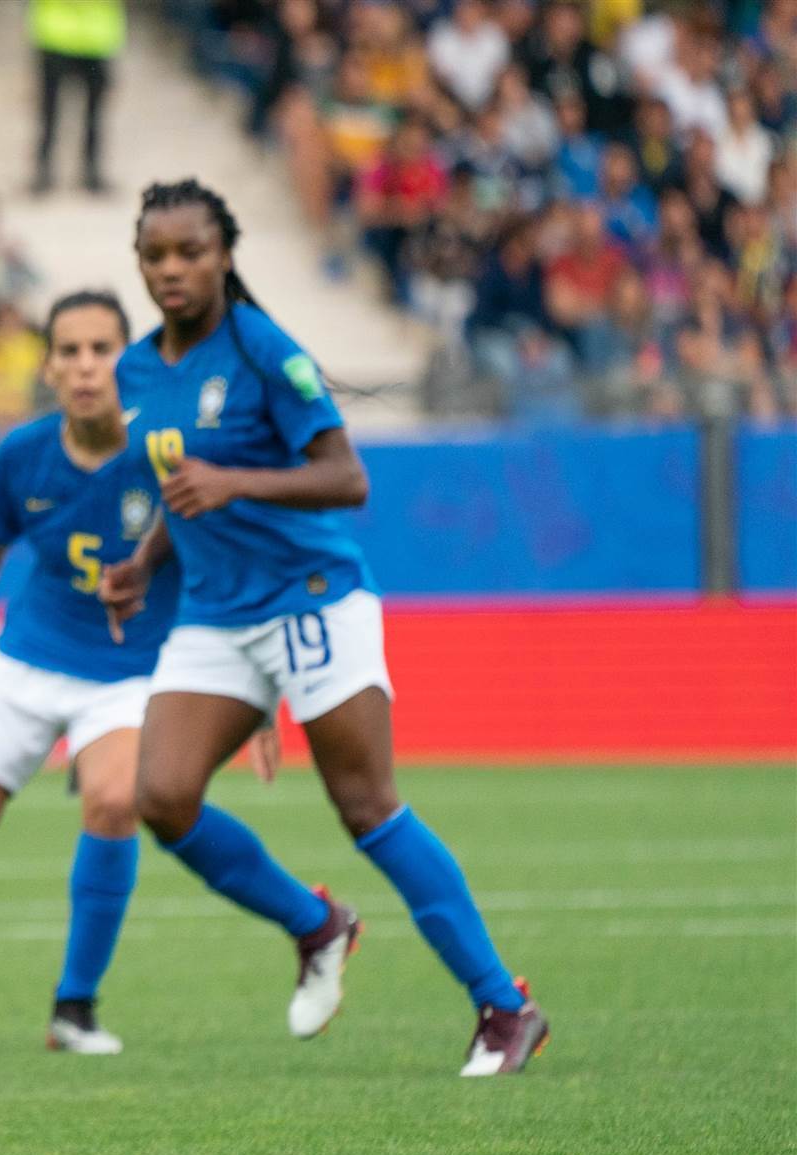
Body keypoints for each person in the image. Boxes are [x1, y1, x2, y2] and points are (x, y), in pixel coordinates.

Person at [102, 179, 548, 1078]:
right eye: (155, 255)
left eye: (190, 251)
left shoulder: (266, 350)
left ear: (225, 254)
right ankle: (319, 923)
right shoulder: (137, 370)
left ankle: (505, 1004)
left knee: (365, 804)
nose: (172, 269)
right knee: (163, 796)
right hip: (216, 612)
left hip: (310, 596)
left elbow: (347, 478)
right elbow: (180, 487)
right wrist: (146, 563)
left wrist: (236, 483)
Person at [0, 291, 279, 1059]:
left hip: (133, 673)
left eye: (101, 348)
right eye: (68, 350)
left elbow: (226, 560)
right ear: (47, 365)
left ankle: (75, 1008)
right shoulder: (22, 455)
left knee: (113, 799)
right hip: (26, 663)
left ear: (127, 360)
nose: (84, 366)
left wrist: (254, 692)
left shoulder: (170, 451)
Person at [29, 0, 125, 195]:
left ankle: (91, 170)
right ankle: (44, 169)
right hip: (56, 34)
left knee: (94, 114)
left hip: (95, 36)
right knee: (50, 112)